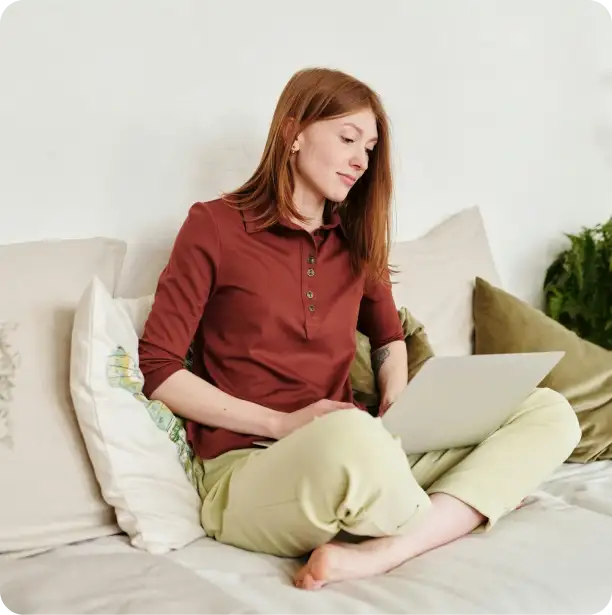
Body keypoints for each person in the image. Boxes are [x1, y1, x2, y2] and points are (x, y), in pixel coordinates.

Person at [138, 67, 582, 590]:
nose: (361, 160)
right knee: (350, 434)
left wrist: (397, 400)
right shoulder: (213, 226)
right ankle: (471, 502)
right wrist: (283, 425)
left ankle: (382, 551)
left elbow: (389, 338)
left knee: (548, 410)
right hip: (252, 471)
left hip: (369, 451)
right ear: (293, 132)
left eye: (369, 148)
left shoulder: (354, 239)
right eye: (348, 138)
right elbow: (159, 370)